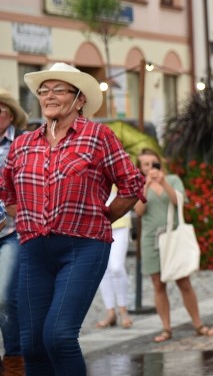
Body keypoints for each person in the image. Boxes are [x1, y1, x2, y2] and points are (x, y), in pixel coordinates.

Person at [0, 63, 145, 375]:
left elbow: (132, 184)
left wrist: (104, 215)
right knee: (32, 345)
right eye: (44, 91)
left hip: (83, 247)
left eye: (58, 90)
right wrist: (27, 217)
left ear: (79, 100)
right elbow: (7, 192)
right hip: (34, 250)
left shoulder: (98, 136)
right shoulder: (23, 144)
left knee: (58, 336)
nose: (49, 96)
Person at [134, 149, 213, 343]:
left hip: (173, 237)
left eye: (153, 163)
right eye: (145, 165)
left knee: (183, 281)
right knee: (157, 283)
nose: (150, 167)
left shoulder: (172, 180)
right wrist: (145, 186)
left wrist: (162, 182)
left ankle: (198, 324)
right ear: (139, 168)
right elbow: (139, 211)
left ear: (159, 163)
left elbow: (178, 201)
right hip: (151, 240)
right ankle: (166, 328)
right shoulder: (138, 184)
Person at [0, 89, 28, 375]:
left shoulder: (22, 142)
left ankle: (15, 359)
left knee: (5, 296)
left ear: (9, 114)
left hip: (12, 230)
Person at [94, 186, 134, 330]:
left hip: (120, 222)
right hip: (98, 222)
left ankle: (123, 310)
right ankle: (110, 312)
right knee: (103, 268)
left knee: (116, 267)